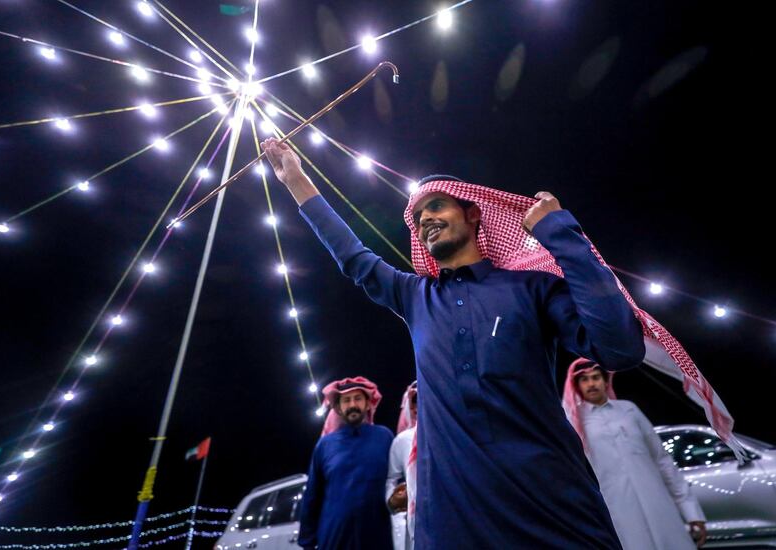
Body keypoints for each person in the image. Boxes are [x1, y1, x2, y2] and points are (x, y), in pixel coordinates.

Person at [262, 137, 646, 549]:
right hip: (452, 517)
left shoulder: (531, 288)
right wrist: (297, 182)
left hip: (551, 504)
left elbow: (620, 349)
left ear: (473, 213)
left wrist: (562, 235)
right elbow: (353, 257)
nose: (424, 218)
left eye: (436, 206)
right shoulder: (415, 297)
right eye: (417, 215)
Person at [563, 358, 707, 549]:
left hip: (658, 503)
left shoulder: (628, 409)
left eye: (595, 377)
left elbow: (662, 460)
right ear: (577, 386)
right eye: (584, 380)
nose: (591, 384)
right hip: (617, 511)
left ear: (605, 381)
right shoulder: (574, 420)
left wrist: (692, 513)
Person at [298, 376, 394, 550]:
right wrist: (307, 542)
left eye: (357, 398)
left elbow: (396, 481)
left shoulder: (384, 436)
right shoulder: (325, 445)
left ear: (367, 403)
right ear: (339, 409)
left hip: (377, 537)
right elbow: (312, 496)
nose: (352, 405)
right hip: (334, 538)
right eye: (346, 400)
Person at [386, 381, 417, 550]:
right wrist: (392, 499)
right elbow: (391, 479)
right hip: (418, 526)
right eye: (415, 401)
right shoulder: (403, 441)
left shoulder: (455, 432)